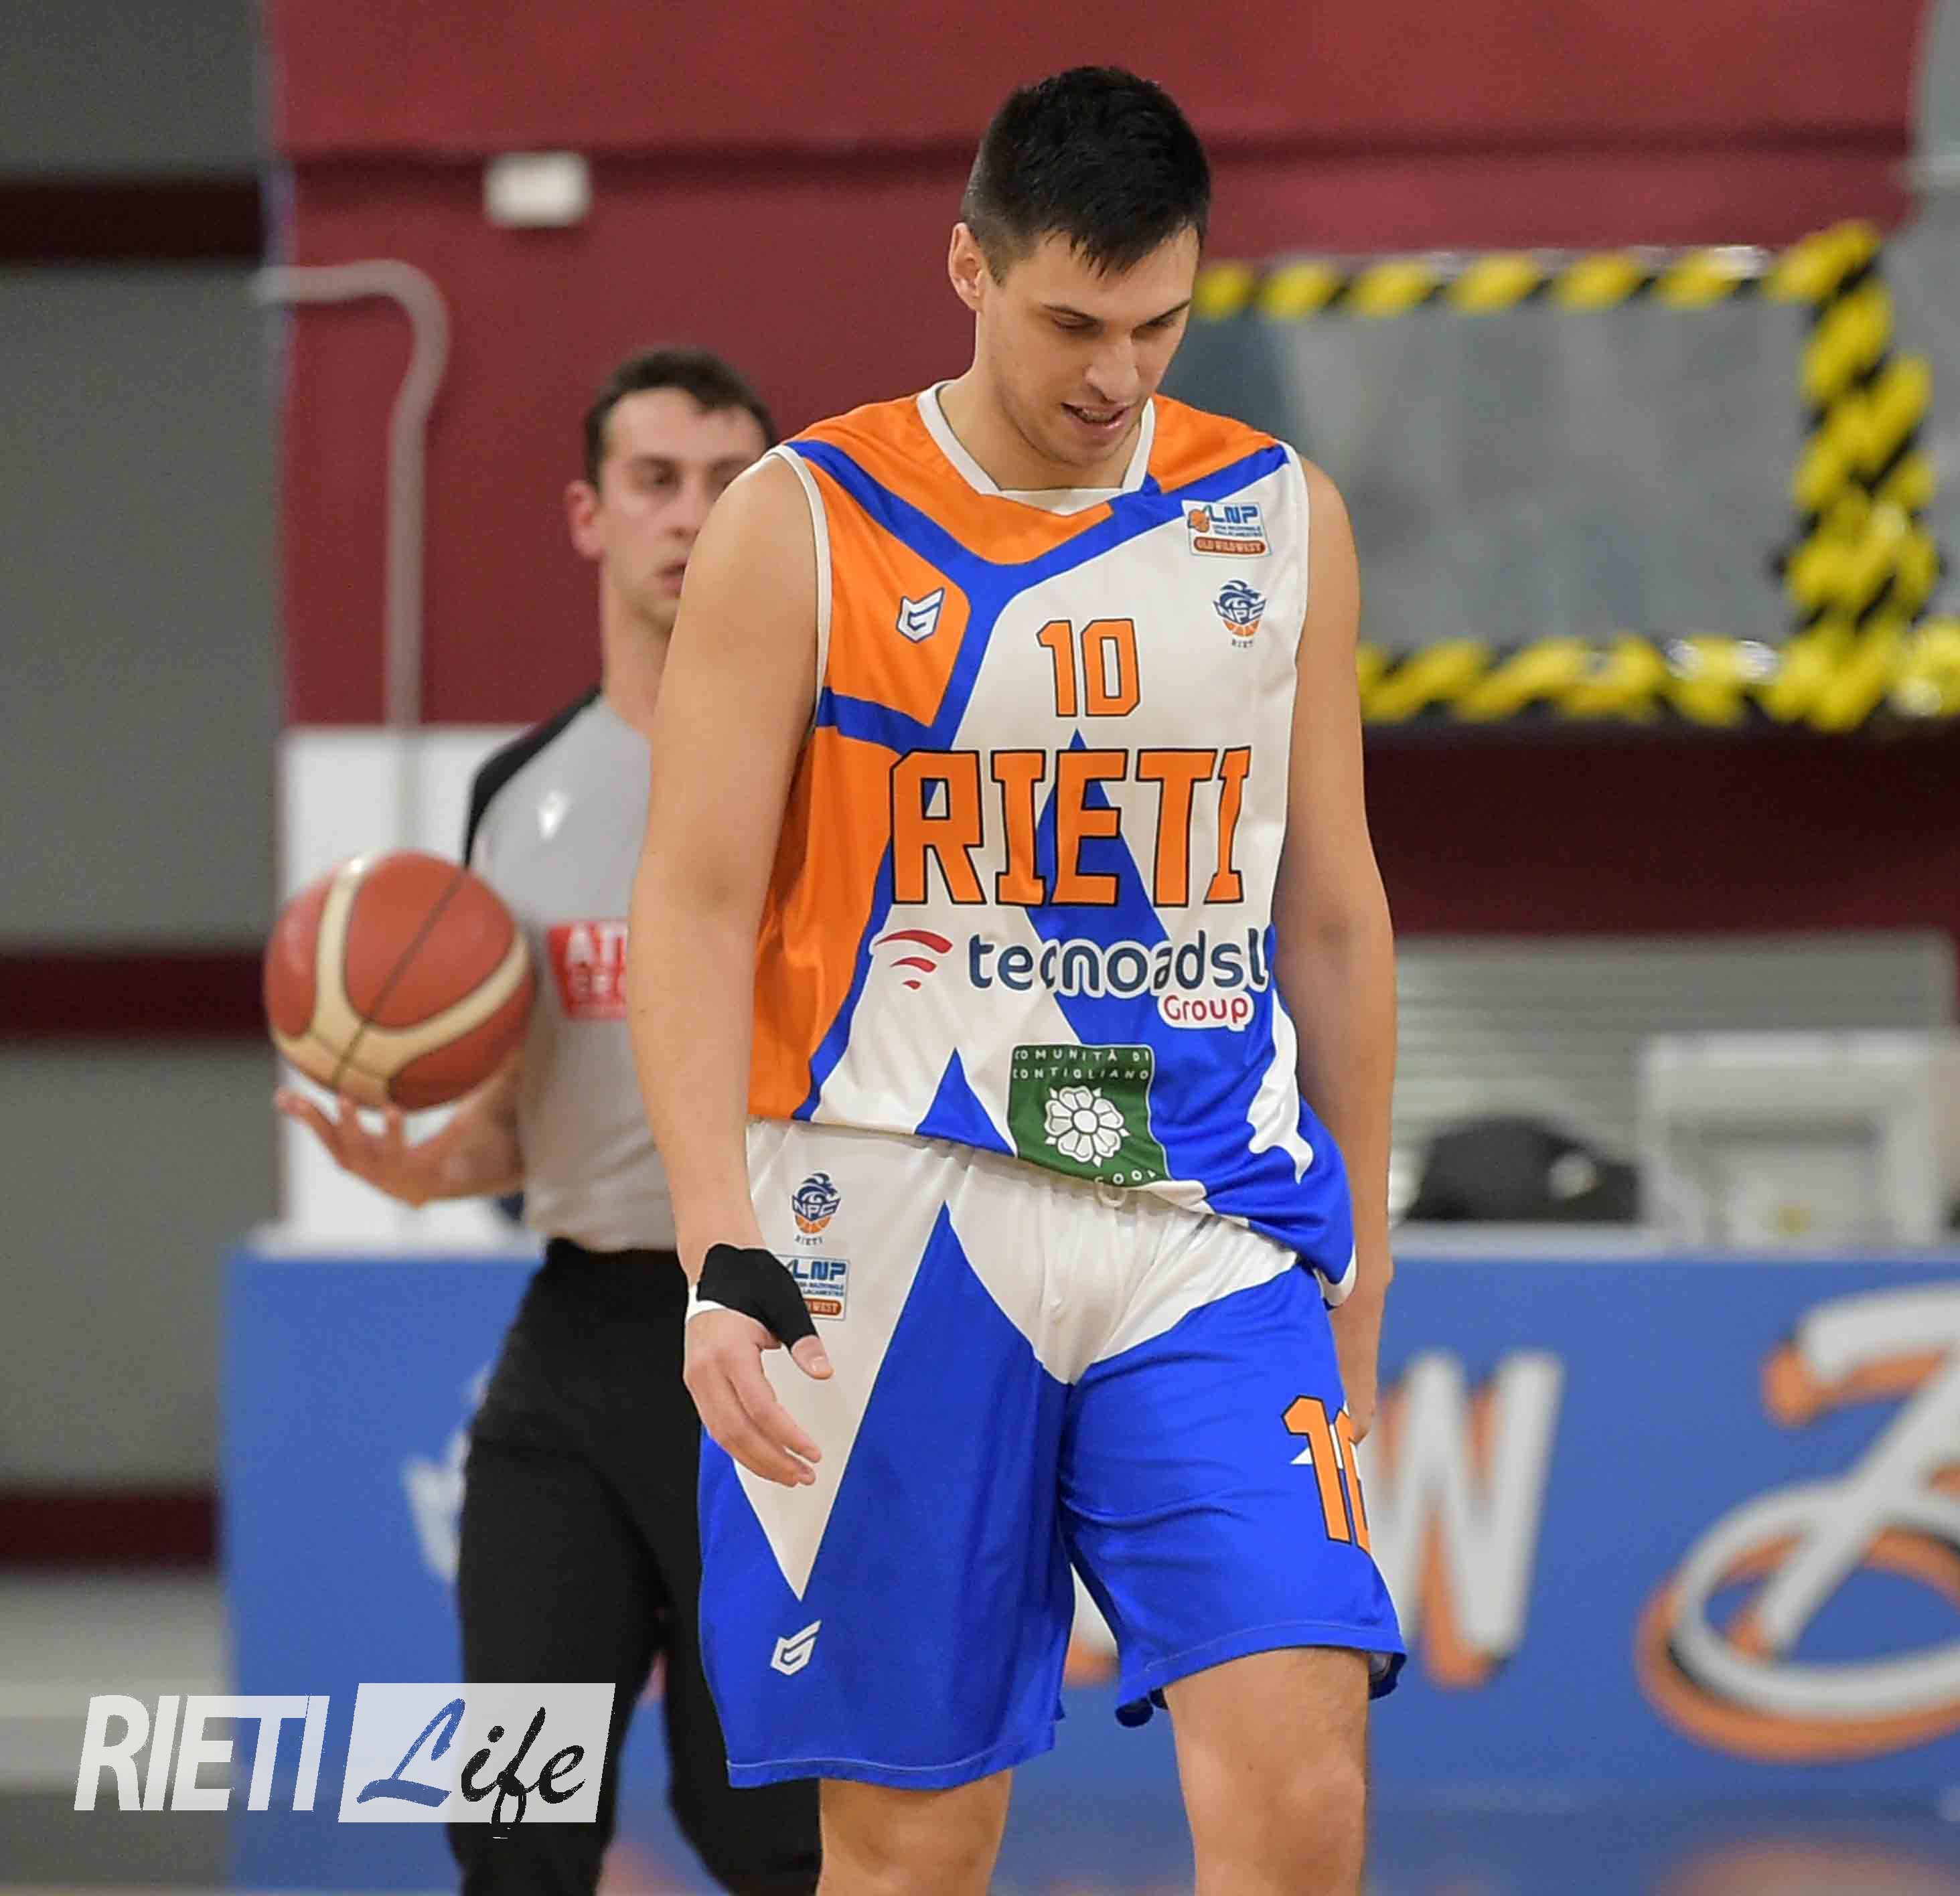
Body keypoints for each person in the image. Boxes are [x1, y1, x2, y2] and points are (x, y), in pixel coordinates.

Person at [627, 68, 1403, 1896]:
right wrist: (716, 1245)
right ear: (968, 268)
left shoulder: (1279, 518)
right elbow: (692, 904)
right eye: (1073, 323)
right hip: (887, 1202)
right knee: (912, 1848)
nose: (1116, 375)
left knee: (1304, 1779)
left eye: (1159, 325)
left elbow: (1336, 916)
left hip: (1201, 1211)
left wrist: (1364, 1264)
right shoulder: (800, 519)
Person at [279, 349, 820, 1896]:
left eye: (727, 484)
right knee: (518, 1824)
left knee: (769, 1835)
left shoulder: (838, 779)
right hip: (574, 1343)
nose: (691, 516)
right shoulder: (518, 796)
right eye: (656, 481)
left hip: (781, 1341)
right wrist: (419, 1162)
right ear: (590, 514)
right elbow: (528, 1125)